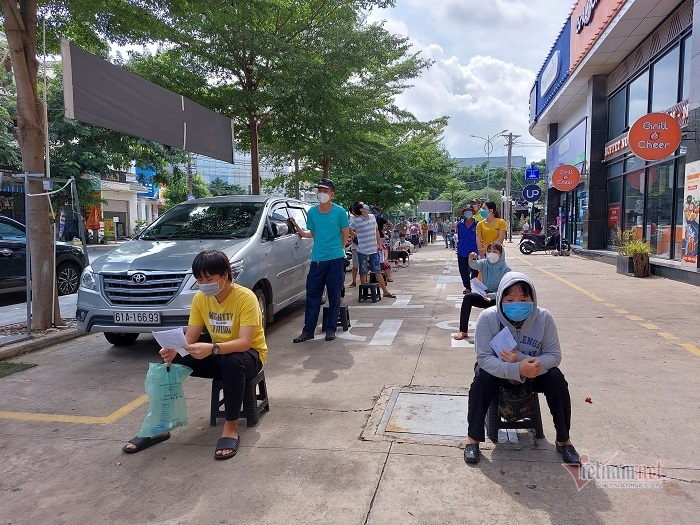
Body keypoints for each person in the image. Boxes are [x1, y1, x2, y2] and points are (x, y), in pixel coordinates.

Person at [122, 249, 267, 460]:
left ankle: (230, 427)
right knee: (169, 362)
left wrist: (212, 348)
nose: (203, 283)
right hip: (218, 353)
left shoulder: (246, 298)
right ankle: (159, 428)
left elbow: (245, 343)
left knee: (233, 362)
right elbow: (190, 338)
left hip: (250, 356)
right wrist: (173, 349)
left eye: (208, 278)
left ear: (224, 275)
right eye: (199, 279)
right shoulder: (200, 299)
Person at [463, 272, 581, 466]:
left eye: (524, 298)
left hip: (534, 372)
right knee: (481, 380)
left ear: (532, 298)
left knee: (556, 378)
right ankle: (472, 440)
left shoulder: (544, 318)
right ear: (500, 299)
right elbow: (484, 359)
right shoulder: (488, 318)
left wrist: (523, 361)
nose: (517, 303)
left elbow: (554, 356)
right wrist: (517, 369)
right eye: (510, 299)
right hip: (498, 371)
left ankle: (563, 440)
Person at [290, 178, 349, 343]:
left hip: (336, 259)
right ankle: (308, 331)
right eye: (319, 190)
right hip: (317, 260)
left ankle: (330, 329)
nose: (321, 193)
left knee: (334, 294)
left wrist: (340, 249)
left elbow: (345, 233)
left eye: (324, 190)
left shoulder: (339, 212)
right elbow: (314, 234)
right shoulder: (312, 212)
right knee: (312, 295)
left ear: (332, 194)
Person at [453, 242, 510, 341]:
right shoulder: (484, 263)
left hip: (497, 299)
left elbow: (505, 291)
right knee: (468, 298)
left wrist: (492, 295)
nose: (491, 254)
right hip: (484, 296)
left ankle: (502, 333)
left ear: (501, 254)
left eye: (494, 251)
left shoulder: (506, 270)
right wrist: (472, 258)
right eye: (489, 251)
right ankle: (463, 330)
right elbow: (474, 265)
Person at [349, 202, 396, 298]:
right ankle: (364, 293)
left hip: (373, 249)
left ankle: (385, 292)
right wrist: (356, 235)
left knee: (377, 270)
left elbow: (376, 231)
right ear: (362, 209)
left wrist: (379, 244)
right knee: (363, 271)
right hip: (362, 250)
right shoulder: (356, 221)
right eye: (364, 206)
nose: (366, 206)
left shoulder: (372, 217)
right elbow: (348, 229)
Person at [456, 206, 479, 294]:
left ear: (473, 213)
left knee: (475, 270)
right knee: (463, 270)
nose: (468, 213)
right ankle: (467, 287)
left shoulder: (477, 224)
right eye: (466, 211)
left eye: (470, 211)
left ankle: (475, 286)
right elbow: (459, 236)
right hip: (462, 250)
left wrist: (477, 250)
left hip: (474, 251)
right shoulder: (460, 224)